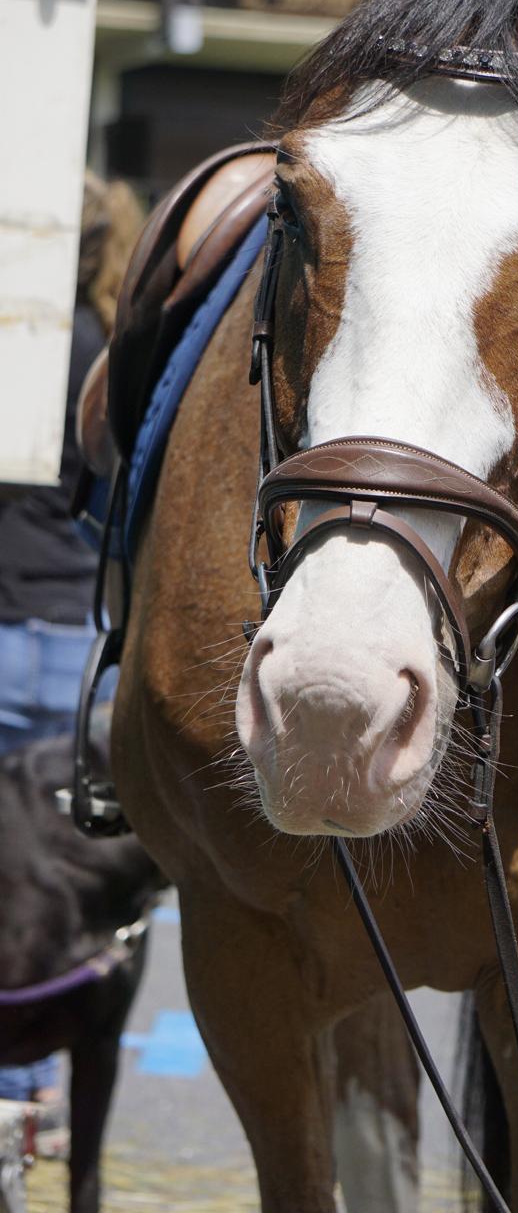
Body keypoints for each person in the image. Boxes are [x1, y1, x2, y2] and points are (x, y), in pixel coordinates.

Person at [0, 170, 143, 1116]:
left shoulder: (18, 351)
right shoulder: (116, 366)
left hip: (3, 624)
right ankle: (36, 1084)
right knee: (65, 864)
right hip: (78, 640)